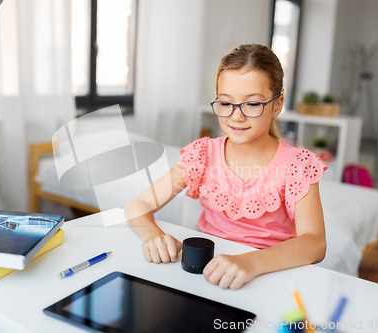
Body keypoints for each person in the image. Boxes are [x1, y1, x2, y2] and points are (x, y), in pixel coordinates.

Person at [125, 44, 327, 290]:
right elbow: (138, 205)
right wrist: (152, 235)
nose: (236, 116)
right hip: (208, 276)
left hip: (270, 278)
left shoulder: (297, 164)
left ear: (277, 104)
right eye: (225, 103)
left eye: (252, 104)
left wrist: (251, 262)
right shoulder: (202, 155)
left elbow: (315, 243)